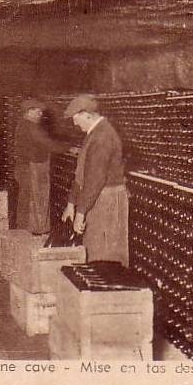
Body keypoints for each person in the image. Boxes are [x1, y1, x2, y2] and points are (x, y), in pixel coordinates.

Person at [61, 93, 129, 266]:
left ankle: (108, 291)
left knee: (105, 252)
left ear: (87, 115)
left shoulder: (102, 137)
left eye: (76, 118)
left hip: (107, 199)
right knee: (94, 246)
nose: (74, 123)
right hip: (97, 197)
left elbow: (95, 180)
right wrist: (71, 204)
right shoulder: (94, 134)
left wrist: (81, 212)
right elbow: (82, 172)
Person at [12, 99, 75, 235]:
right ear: (28, 112)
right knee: (37, 200)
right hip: (33, 167)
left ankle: (23, 230)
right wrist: (69, 148)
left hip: (24, 167)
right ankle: (36, 231)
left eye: (41, 111)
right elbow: (48, 143)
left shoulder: (22, 124)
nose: (40, 114)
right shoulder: (31, 127)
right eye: (37, 111)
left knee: (27, 199)